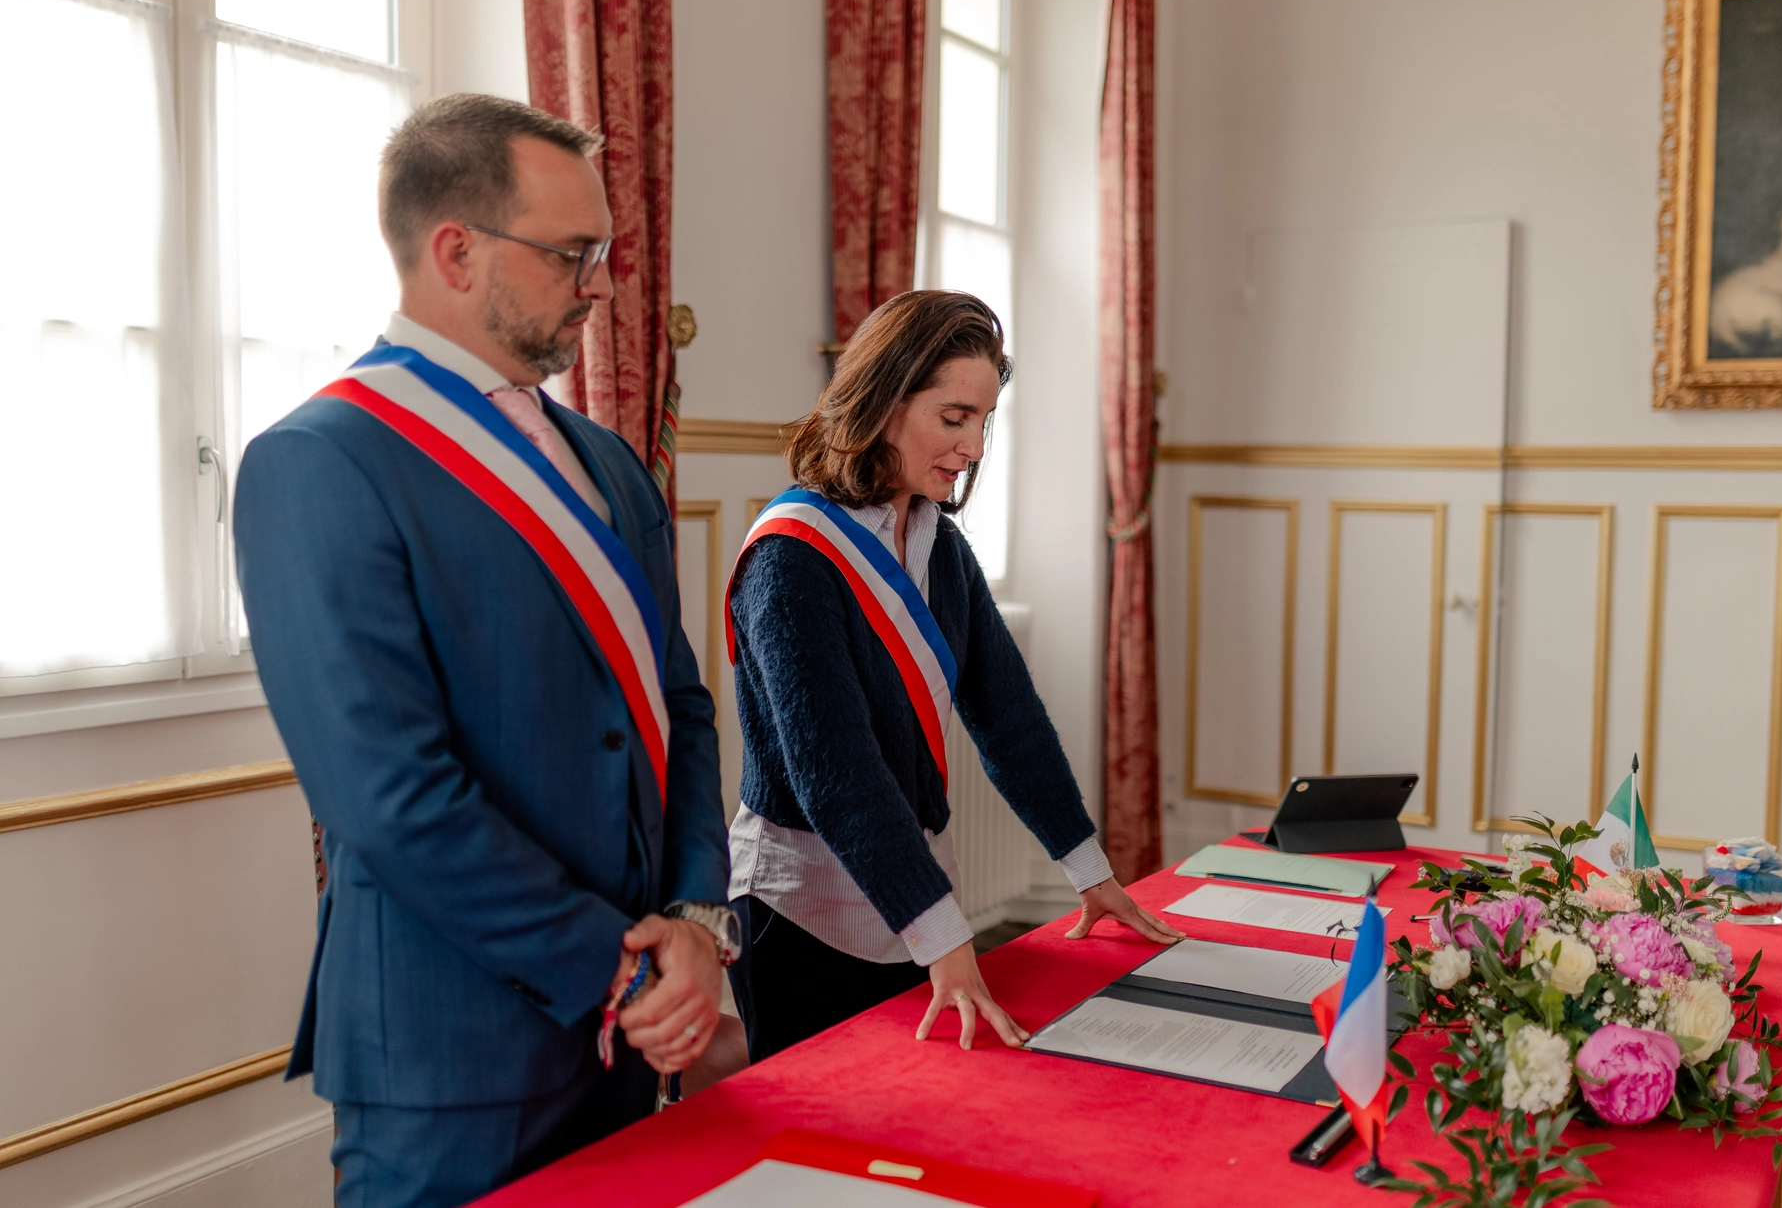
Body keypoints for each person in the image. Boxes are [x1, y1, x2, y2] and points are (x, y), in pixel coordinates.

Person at [233, 94, 736, 1208]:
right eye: (572, 254)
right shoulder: (319, 461)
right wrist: (615, 963)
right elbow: (387, 793)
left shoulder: (606, 464)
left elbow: (679, 707)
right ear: (455, 251)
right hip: (447, 1049)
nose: (601, 284)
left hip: (629, 1027)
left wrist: (698, 921)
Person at [724, 290, 1181, 1062]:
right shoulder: (790, 559)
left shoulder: (940, 542)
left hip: (909, 898)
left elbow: (1008, 715)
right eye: (953, 417)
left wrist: (1088, 869)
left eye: (982, 421)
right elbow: (838, 777)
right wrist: (943, 936)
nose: (972, 447)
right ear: (882, 398)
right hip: (802, 908)